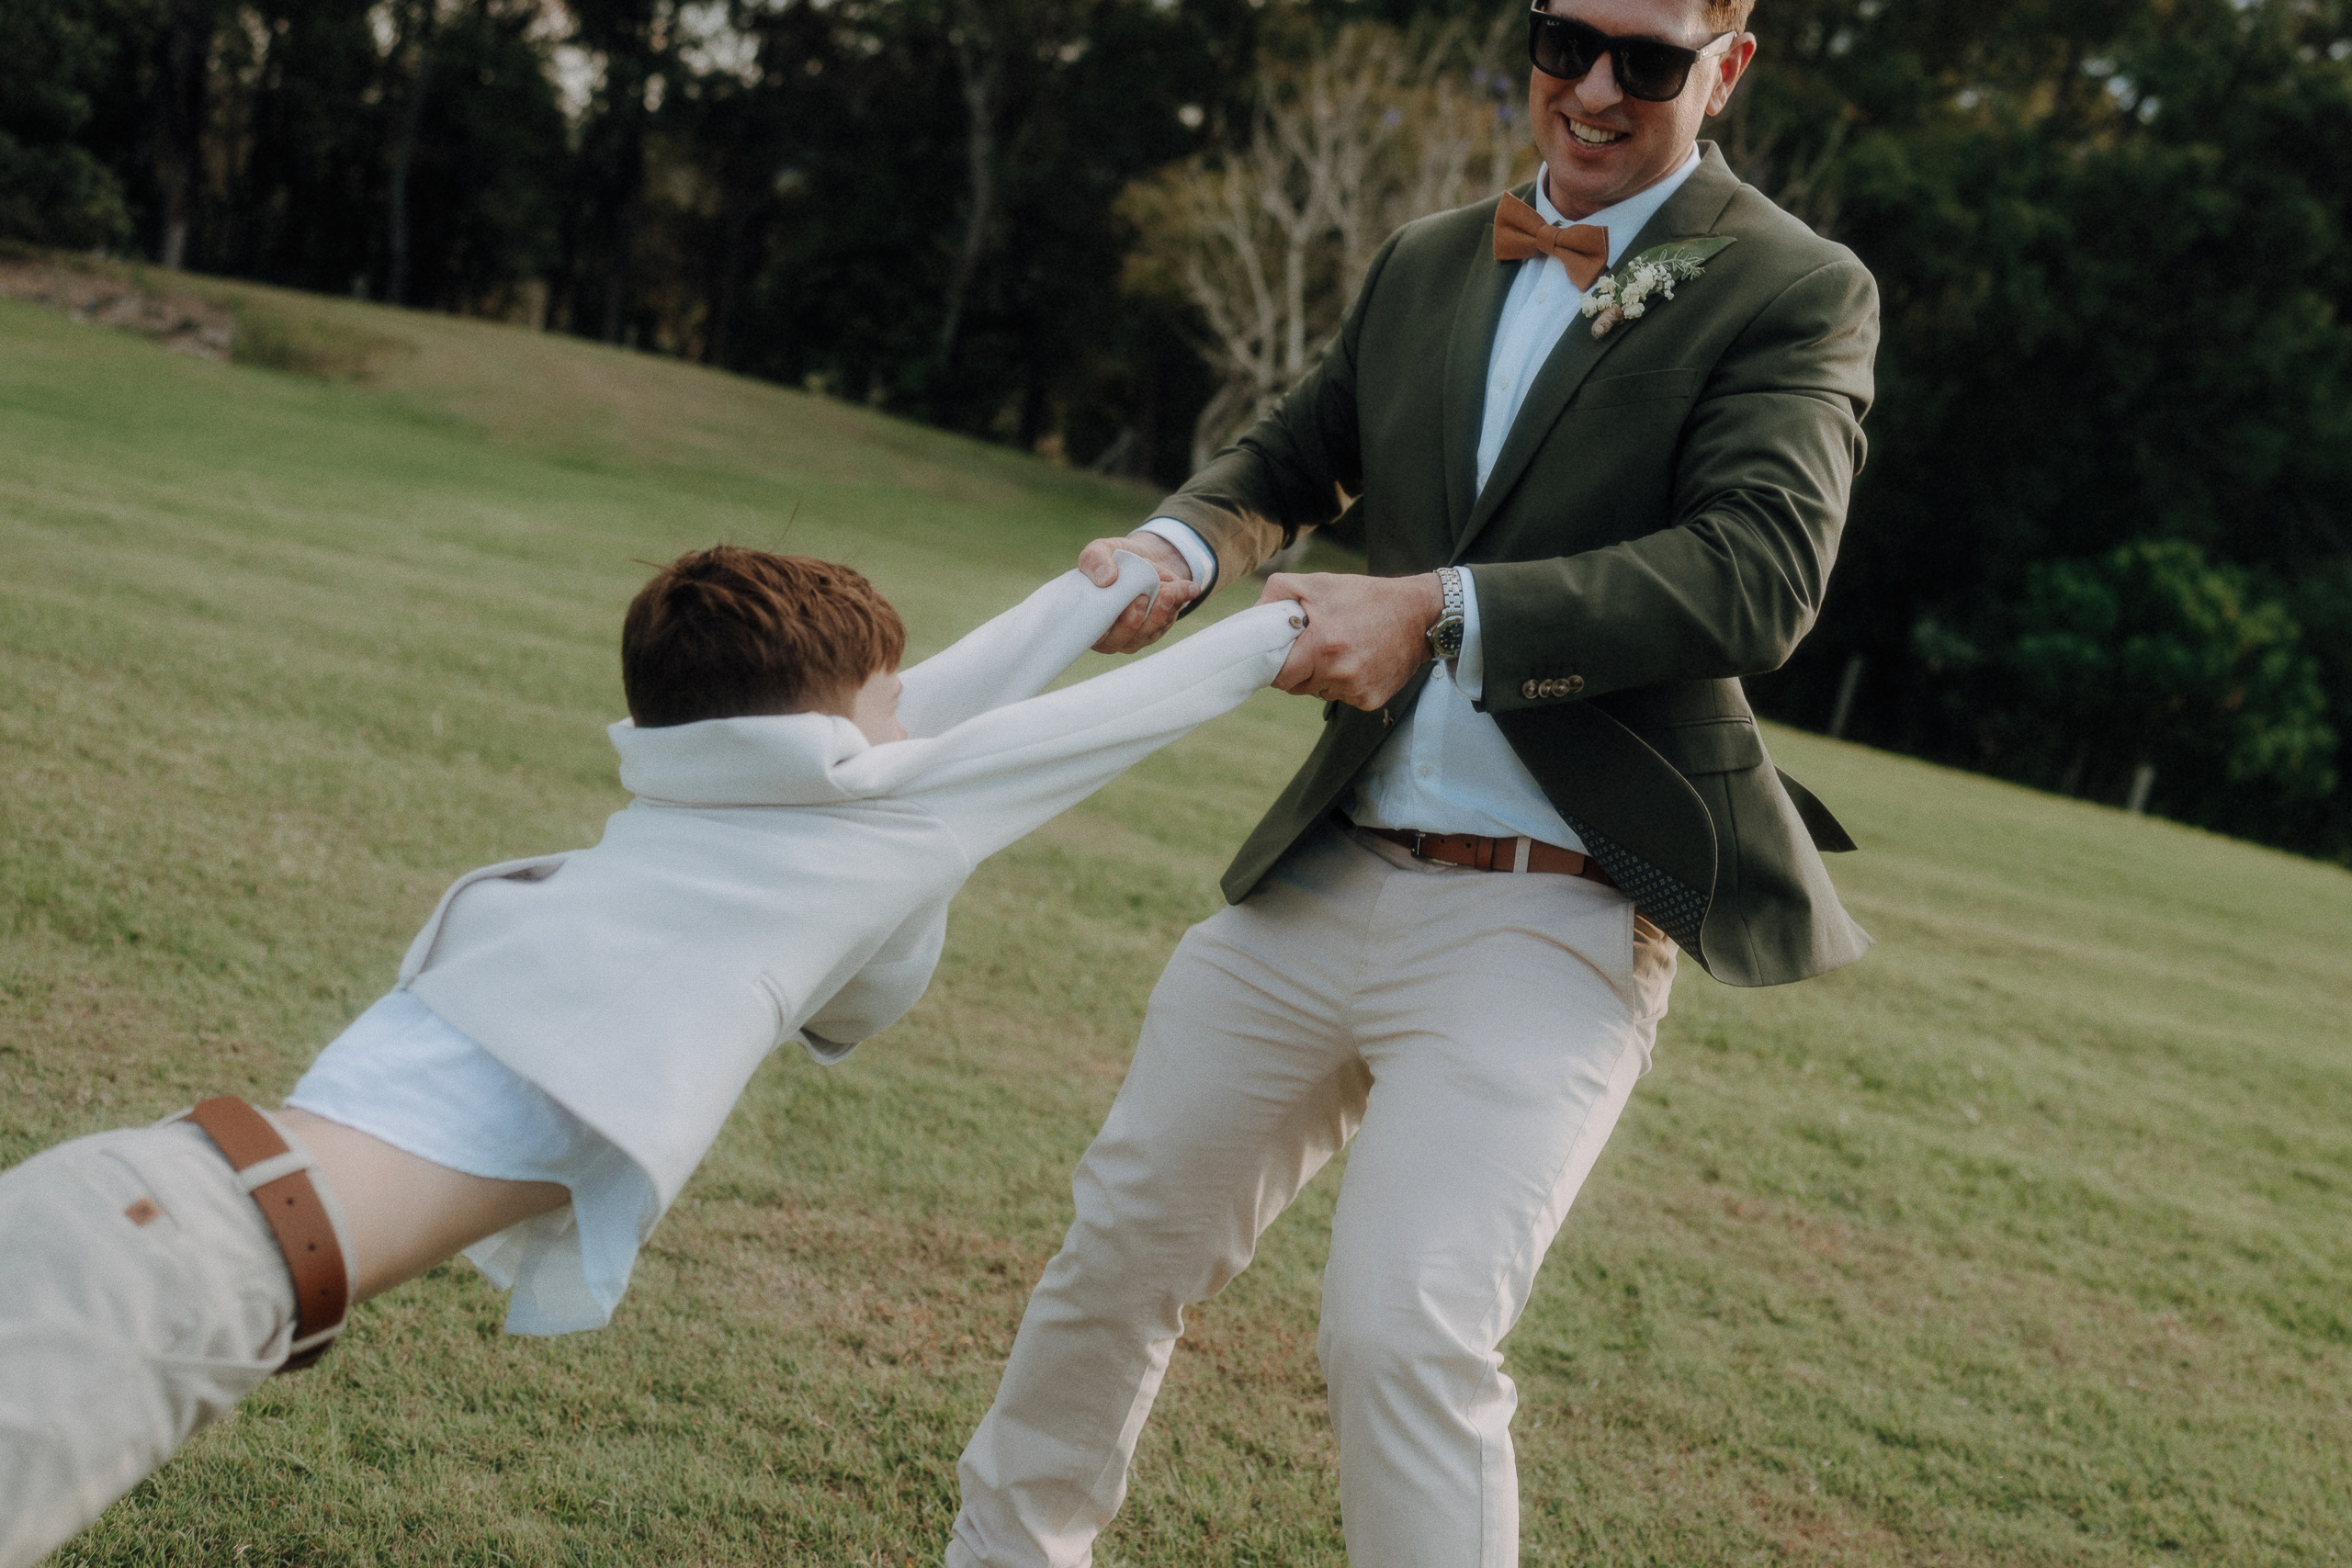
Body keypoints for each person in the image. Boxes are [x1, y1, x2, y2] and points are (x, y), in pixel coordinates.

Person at [946, 0, 1879, 1562]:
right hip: (1332, 868)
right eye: (1562, 36)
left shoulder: (1796, 287)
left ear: (1730, 66)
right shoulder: (1436, 256)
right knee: (1118, 1251)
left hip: (1554, 918)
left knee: (1405, 1335)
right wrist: (1176, 551)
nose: (1589, 88)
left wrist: (1436, 608)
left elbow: (1760, 571)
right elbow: (1292, 461)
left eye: (1645, 60)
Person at [0, 544, 1303, 1568]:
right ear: (842, 728)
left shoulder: (704, 793)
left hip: (135, 1197)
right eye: (888, 700)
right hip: (176, 1284)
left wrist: (1126, 579)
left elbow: (947, 692)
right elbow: (1095, 725)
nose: (913, 716)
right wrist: (1284, 630)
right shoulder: (857, 817)